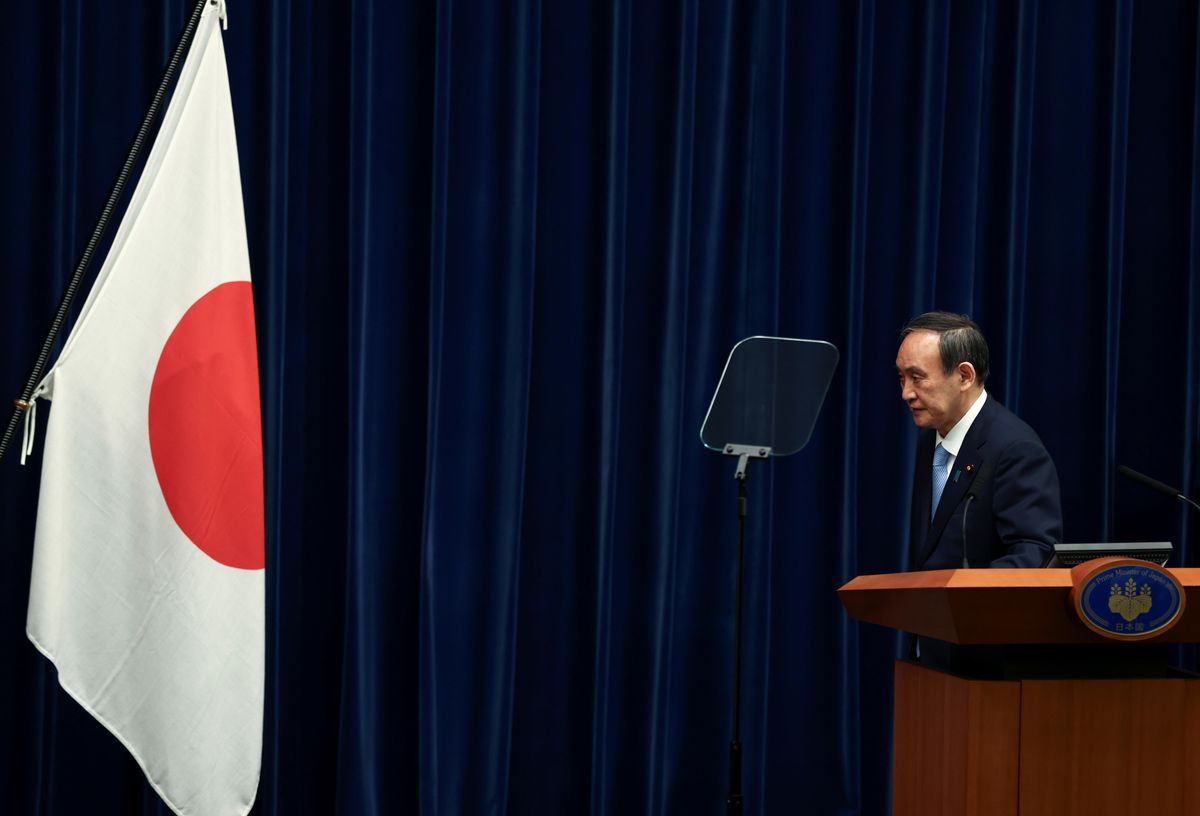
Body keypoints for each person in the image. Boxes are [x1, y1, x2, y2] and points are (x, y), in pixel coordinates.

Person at [896, 312, 1062, 569]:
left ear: (964, 376)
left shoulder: (1016, 450)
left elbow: (1035, 554)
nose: (906, 393)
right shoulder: (930, 439)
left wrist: (963, 592)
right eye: (901, 378)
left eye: (917, 378)